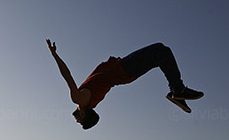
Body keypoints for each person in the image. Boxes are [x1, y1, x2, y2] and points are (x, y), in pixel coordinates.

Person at [47, 39, 203, 130]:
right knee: (160, 51)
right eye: (80, 122)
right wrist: (54, 54)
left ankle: (177, 91)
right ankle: (177, 90)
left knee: (162, 53)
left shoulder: (89, 102)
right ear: (83, 115)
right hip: (123, 70)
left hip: (123, 69)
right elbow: (67, 75)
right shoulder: (80, 100)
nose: (76, 120)